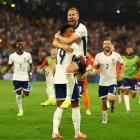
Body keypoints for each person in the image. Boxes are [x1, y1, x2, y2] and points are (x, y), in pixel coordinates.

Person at [52, 23, 87, 138]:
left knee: (59, 106)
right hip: (69, 80)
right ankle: (77, 133)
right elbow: (82, 60)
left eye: (73, 31)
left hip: (57, 79)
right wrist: (81, 70)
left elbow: (55, 42)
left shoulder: (57, 45)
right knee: (75, 105)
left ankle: (55, 132)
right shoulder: (74, 46)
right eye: (70, 31)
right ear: (64, 33)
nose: (72, 33)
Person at [53, 7, 88, 108]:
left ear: (78, 16)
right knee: (50, 69)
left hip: (80, 58)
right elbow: (54, 42)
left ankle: (68, 98)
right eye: (69, 15)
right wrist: (63, 46)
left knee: (68, 71)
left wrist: (58, 36)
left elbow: (68, 41)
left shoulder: (82, 28)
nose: (71, 17)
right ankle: (52, 97)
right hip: (69, 57)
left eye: (73, 15)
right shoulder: (66, 27)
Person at [94, 39, 124, 123]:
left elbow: (122, 64)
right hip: (102, 82)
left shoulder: (116, 55)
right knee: (103, 100)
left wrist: (121, 73)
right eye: (105, 44)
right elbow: (95, 66)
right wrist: (96, 70)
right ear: (103, 46)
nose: (106, 45)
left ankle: (112, 103)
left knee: (111, 98)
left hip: (112, 81)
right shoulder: (98, 55)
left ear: (111, 45)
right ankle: (104, 119)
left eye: (108, 44)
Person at [1, 39, 34, 116]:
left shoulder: (27, 55)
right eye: (19, 44)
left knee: (27, 93)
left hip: (25, 76)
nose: (20, 46)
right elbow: (9, 66)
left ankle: (25, 90)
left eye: (21, 44)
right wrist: (5, 72)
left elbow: (31, 65)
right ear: (16, 46)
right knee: (18, 94)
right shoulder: (12, 56)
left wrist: (30, 74)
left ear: (23, 45)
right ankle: (20, 110)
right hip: (16, 77)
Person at [122, 47, 140, 112]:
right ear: (126, 51)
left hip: (134, 78)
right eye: (127, 49)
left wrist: (138, 75)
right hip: (126, 78)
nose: (128, 50)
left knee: (133, 95)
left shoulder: (137, 58)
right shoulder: (123, 58)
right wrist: (120, 73)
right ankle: (128, 108)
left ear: (132, 51)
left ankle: (134, 90)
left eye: (130, 50)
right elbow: (120, 66)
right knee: (126, 91)